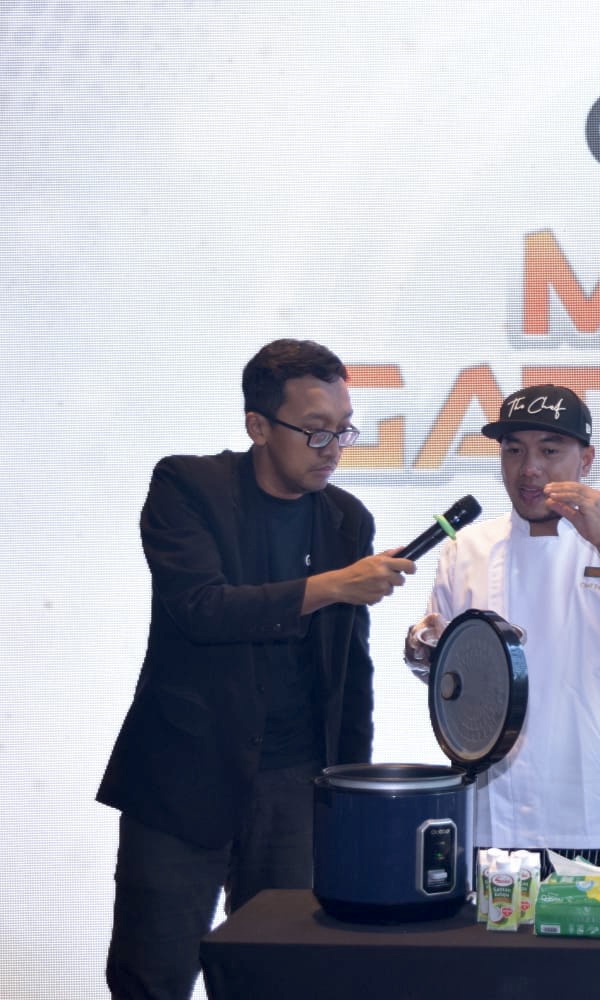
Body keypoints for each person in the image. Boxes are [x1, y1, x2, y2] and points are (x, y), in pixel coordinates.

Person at [97, 339, 415, 1000]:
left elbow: (348, 675)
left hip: (296, 791)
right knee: (150, 977)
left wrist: (346, 797)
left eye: (344, 430)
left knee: (281, 976)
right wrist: (332, 585)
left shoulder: (344, 518)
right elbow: (201, 609)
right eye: (316, 430)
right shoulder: (187, 486)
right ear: (258, 427)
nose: (333, 447)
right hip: (184, 780)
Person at [404, 384, 600, 878]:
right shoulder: (466, 547)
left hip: (592, 812)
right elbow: (449, 677)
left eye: (549, 451)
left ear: (586, 460)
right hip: (488, 811)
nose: (529, 468)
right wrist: (422, 649)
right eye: (513, 451)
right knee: (489, 953)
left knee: (588, 956)